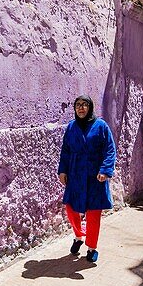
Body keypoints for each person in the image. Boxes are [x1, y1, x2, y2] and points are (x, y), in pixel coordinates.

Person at [57, 94, 116, 263]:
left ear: (90, 107)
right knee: (71, 208)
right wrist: (63, 171)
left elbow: (110, 150)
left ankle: (91, 247)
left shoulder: (101, 126)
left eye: (84, 105)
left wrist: (105, 170)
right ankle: (78, 235)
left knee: (93, 214)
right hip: (75, 175)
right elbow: (66, 151)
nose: (81, 108)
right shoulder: (71, 127)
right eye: (78, 105)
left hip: (95, 177)